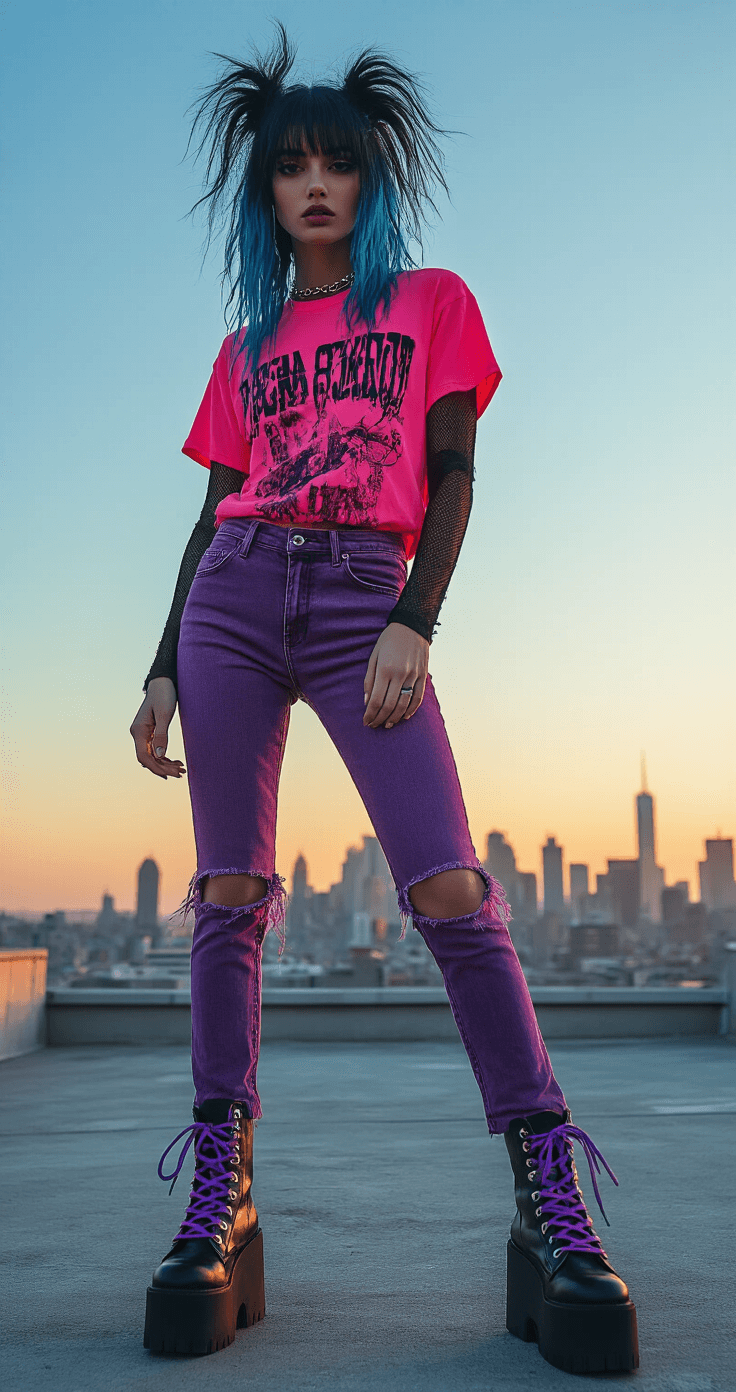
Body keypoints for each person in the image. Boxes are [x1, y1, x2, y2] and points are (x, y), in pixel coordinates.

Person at [130, 27, 638, 1373]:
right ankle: (219, 1192)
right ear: (264, 186)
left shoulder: (429, 304)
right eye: (289, 165)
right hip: (233, 598)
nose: (313, 185)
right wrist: (162, 666)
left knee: (451, 888)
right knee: (230, 893)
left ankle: (551, 1195)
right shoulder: (247, 343)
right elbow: (207, 512)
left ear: (371, 179)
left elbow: (456, 474)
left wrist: (416, 616)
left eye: (336, 165)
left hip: (366, 596)